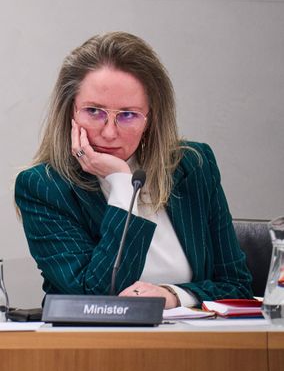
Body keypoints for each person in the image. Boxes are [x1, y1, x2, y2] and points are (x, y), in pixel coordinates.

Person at [15, 32, 252, 307]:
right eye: (94, 111)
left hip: (191, 345)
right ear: (70, 112)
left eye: (127, 115)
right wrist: (122, 184)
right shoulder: (44, 188)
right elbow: (96, 298)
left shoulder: (194, 166)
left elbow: (237, 286)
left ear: (150, 119)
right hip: (95, 348)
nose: (109, 132)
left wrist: (172, 296)